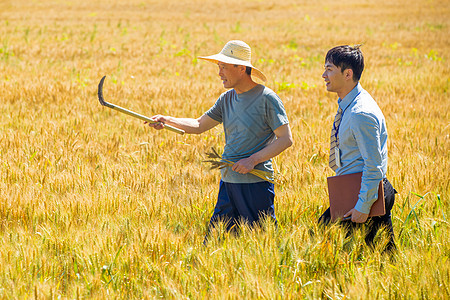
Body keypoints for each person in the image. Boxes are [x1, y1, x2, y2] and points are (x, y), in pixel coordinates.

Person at [147, 40, 293, 237]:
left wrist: (253, 160)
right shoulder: (226, 99)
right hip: (228, 182)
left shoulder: (266, 98)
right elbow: (199, 125)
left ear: (241, 68)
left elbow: (285, 139)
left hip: (255, 185)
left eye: (223, 67)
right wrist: (167, 120)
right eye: (219, 67)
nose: (219, 73)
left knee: (261, 241)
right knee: (215, 241)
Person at [319, 45, 396, 252]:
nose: (323, 75)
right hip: (355, 189)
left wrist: (363, 206)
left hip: (366, 193)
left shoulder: (360, 113)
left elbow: (374, 165)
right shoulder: (348, 104)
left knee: (333, 248)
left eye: (329, 69)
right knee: (381, 258)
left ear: (348, 74)